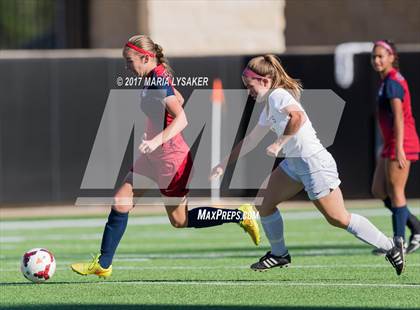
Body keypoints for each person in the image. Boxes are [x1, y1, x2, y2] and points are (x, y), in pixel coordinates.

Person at [71, 35, 260, 278]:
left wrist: (156, 140)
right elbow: (178, 99)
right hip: (153, 158)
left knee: (179, 221)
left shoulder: (158, 80)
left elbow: (182, 118)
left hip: (172, 160)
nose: (127, 67)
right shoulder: (155, 77)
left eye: (129, 61)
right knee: (120, 202)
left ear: (145, 57)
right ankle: (103, 264)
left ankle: (240, 215)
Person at [211, 54, 406, 275]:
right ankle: (279, 254)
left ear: (265, 81)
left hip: (313, 162)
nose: (249, 91)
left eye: (251, 85)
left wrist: (279, 143)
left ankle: (391, 246)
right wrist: (223, 164)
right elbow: (252, 140)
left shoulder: (277, 95)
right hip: (294, 163)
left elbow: (298, 117)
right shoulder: (268, 105)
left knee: (338, 218)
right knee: (264, 202)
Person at [370, 40, 420, 255]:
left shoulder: (392, 82)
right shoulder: (386, 81)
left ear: (392, 57)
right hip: (392, 142)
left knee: (396, 191)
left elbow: (399, 117)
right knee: (378, 190)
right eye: (374, 56)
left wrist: (399, 147)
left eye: (381, 56)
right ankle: (416, 227)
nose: (377, 60)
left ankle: (397, 243)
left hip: (401, 142)